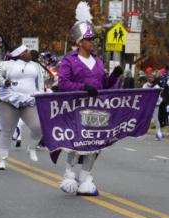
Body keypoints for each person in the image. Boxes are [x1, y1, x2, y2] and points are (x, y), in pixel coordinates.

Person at [57, 1, 123, 196]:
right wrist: (83, 88)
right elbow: (63, 83)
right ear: (79, 42)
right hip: (76, 107)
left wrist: (115, 76)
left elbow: (103, 86)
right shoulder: (69, 60)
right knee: (76, 142)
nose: (92, 42)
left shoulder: (99, 61)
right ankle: (69, 175)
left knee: (96, 143)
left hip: (98, 108)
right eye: (88, 39)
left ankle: (86, 178)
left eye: (93, 39)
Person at [0, 44, 45, 170]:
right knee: (7, 130)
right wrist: (4, 82)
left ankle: (31, 148)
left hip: (29, 100)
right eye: (26, 51)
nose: (29, 52)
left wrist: (43, 93)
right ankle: (2, 159)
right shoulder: (7, 65)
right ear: (20, 54)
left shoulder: (35, 66)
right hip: (10, 99)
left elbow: (40, 83)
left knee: (38, 127)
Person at [143, 71, 163, 140]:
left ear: (154, 78)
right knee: (146, 118)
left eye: (152, 77)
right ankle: (142, 132)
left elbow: (158, 96)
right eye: (149, 77)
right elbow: (143, 94)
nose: (150, 78)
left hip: (155, 105)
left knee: (156, 119)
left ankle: (159, 133)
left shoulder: (156, 86)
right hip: (148, 104)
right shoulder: (145, 85)